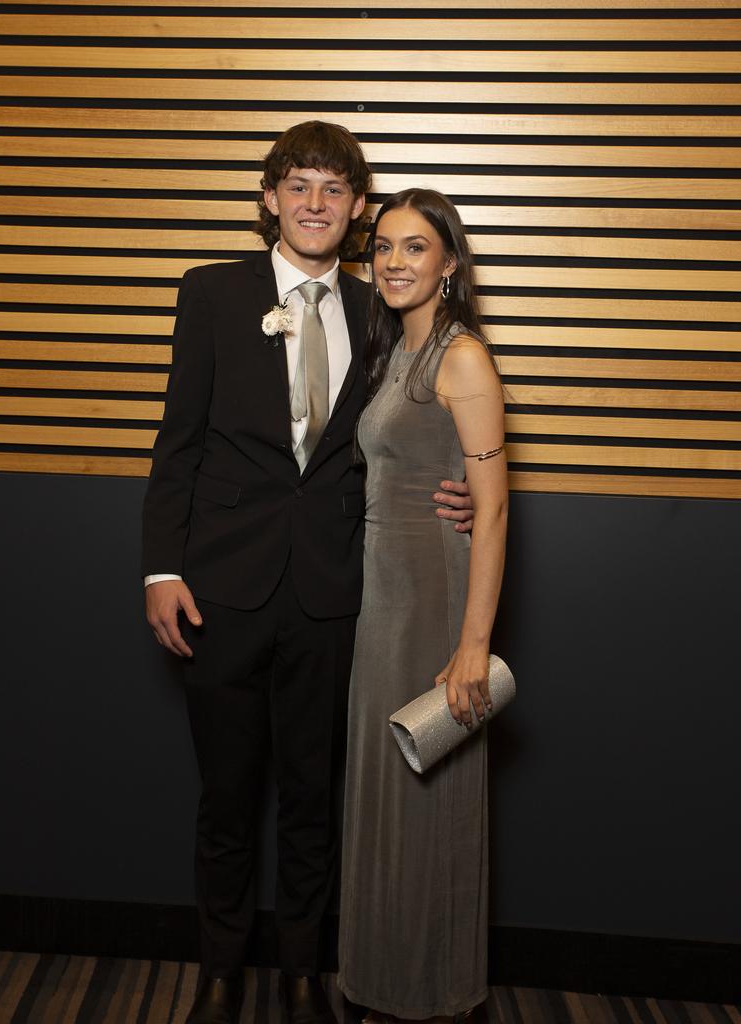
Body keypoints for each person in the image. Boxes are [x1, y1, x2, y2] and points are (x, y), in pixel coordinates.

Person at [141, 123, 474, 1024]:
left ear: (358, 209)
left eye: (335, 188)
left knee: (312, 798)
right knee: (226, 795)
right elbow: (177, 445)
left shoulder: (383, 308)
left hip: (337, 597)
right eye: (300, 186)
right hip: (219, 593)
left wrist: (466, 498)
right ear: (269, 199)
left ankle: (302, 966)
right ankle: (217, 969)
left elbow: (417, 433)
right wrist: (160, 571)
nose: (316, 203)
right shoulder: (210, 295)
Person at [337, 189, 508, 1021]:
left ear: (450, 262)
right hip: (382, 601)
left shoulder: (461, 355)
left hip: (433, 602)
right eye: (384, 247)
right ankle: (383, 981)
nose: (394, 261)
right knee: (386, 793)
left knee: (426, 795)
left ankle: (431, 989)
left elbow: (496, 505)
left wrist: (474, 643)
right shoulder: (393, 351)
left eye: (415, 247)